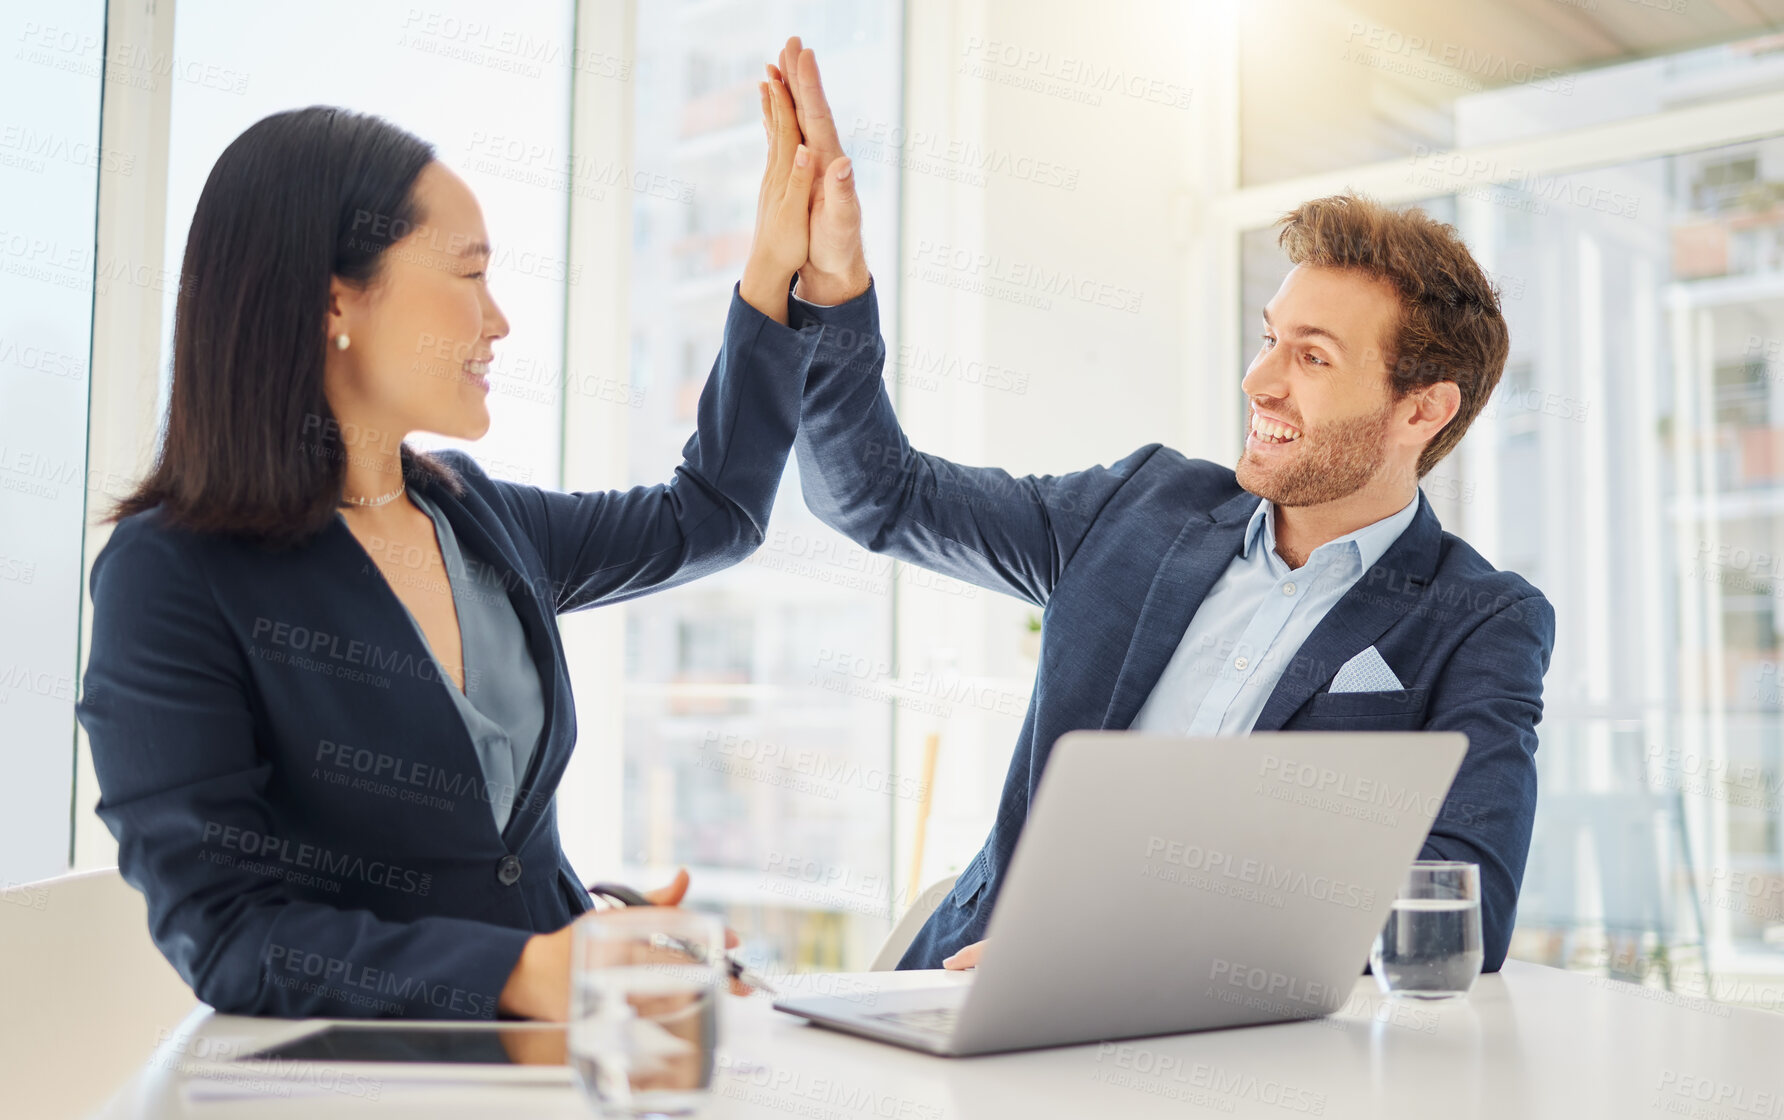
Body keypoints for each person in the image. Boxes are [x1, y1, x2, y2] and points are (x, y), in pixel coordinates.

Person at [763, 37, 1555, 975]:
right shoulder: (1142, 507)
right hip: (960, 989)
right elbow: (876, 495)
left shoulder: (1479, 620)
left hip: (1221, 1054)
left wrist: (1124, 954)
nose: (1259, 381)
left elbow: (1458, 912)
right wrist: (830, 284)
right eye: (1270, 340)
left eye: (1312, 357)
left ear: (1421, 409)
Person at [76, 89, 822, 1021]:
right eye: (469, 274)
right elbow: (227, 935)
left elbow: (710, 516)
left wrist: (773, 273)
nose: (499, 320)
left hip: (566, 1068)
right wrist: (529, 974)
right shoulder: (173, 576)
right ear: (334, 298)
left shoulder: (475, 516)